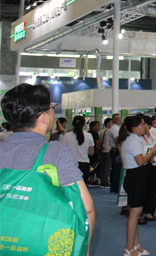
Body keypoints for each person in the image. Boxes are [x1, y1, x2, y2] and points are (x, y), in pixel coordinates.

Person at [0, 84, 95, 255]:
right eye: (52, 107)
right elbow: (85, 206)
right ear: (43, 116)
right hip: (37, 240)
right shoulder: (55, 152)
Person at [117, 114, 156, 256]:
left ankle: (135, 245)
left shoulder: (134, 139)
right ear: (134, 127)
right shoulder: (133, 140)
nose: (144, 127)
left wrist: (151, 155)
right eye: (142, 124)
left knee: (136, 214)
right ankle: (129, 248)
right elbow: (140, 161)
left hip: (137, 177)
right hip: (135, 177)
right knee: (134, 214)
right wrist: (153, 152)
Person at [60, 115, 95, 183]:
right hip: (84, 164)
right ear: (84, 124)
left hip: (70, 165)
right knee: (83, 186)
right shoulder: (89, 136)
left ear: (73, 124)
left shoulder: (65, 136)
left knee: (71, 185)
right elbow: (91, 153)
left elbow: (62, 152)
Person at [110, 113, 123, 193]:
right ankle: (116, 187)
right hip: (116, 150)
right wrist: (120, 151)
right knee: (116, 170)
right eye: (117, 118)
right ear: (113, 120)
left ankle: (115, 187)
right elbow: (117, 141)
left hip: (117, 150)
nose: (119, 120)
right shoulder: (114, 128)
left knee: (116, 170)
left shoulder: (119, 127)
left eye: (120, 118)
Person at [99, 118, 114, 187]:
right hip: (108, 150)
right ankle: (105, 181)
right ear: (107, 123)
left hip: (102, 150)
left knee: (102, 167)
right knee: (107, 167)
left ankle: (102, 180)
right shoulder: (109, 131)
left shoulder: (101, 131)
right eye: (111, 123)